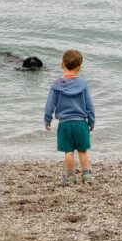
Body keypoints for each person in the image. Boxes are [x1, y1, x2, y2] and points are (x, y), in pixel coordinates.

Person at [43, 49, 95, 185]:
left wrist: (47, 119)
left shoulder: (56, 85)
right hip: (81, 123)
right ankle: (86, 175)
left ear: (62, 65)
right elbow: (89, 105)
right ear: (79, 67)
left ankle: (70, 176)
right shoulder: (83, 85)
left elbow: (50, 105)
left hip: (65, 123)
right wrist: (92, 121)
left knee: (68, 151)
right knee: (82, 150)